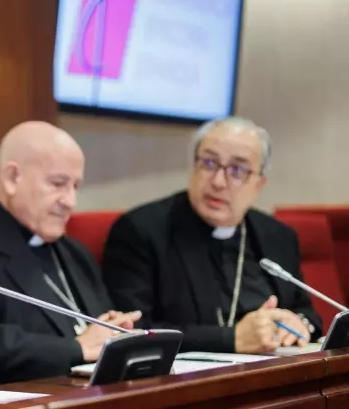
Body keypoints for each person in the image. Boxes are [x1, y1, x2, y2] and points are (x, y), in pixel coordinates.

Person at [0, 121, 141, 388]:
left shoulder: (75, 253)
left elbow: (94, 329)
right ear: (12, 178)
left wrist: (115, 330)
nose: (70, 201)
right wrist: (77, 348)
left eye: (75, 186)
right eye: (58, 183)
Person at [102, 116, 322, 354]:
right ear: (193, 166)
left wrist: (297, 324)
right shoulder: (141, 231)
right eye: (208, 163)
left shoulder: (278, 236)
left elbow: (307, 312)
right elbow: (131, 330)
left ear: (259, 184)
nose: (218, 182)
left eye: (237, 170)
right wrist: (231, 338)